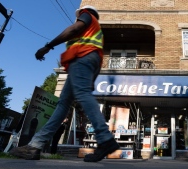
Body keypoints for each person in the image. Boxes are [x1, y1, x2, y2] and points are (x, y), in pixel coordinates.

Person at [9, 5, 119, 162]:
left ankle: (105, 139)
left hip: (82, 57)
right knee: (63, 104)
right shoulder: (95, 32)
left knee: (81, 95)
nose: (79, 19)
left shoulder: (86, 15)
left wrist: (48, 46)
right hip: (86, 62)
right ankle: (35, 145)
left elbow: (74, 29)